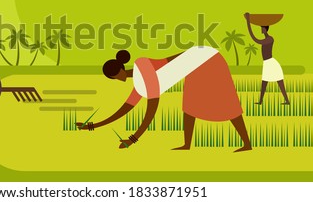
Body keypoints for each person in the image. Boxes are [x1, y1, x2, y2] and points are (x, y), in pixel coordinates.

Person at [77, 46, 252, 152]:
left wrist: (133, 139)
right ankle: (187, 145)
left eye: (116, 77)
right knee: (190, 105)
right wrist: (92, 126)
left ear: (120, 71)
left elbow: (150, 111)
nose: (118, 80)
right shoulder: (139, 81)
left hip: (208, 59)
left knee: (226, 103)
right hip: (195, 63)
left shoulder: (143, 69)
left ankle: (247, 144)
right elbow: (125, 108)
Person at [244, 13, 290, 105]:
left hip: (271, 63)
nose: (261, 29)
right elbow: (256, 39)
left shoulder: (269, 39)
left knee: (279, 82)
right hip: (267, 63)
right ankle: (261, 101)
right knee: (264, 82)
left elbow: (255, 39)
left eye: (262, 28)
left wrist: (248, 23)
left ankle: (287, 100)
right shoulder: (267, 39)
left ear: (265, 29)